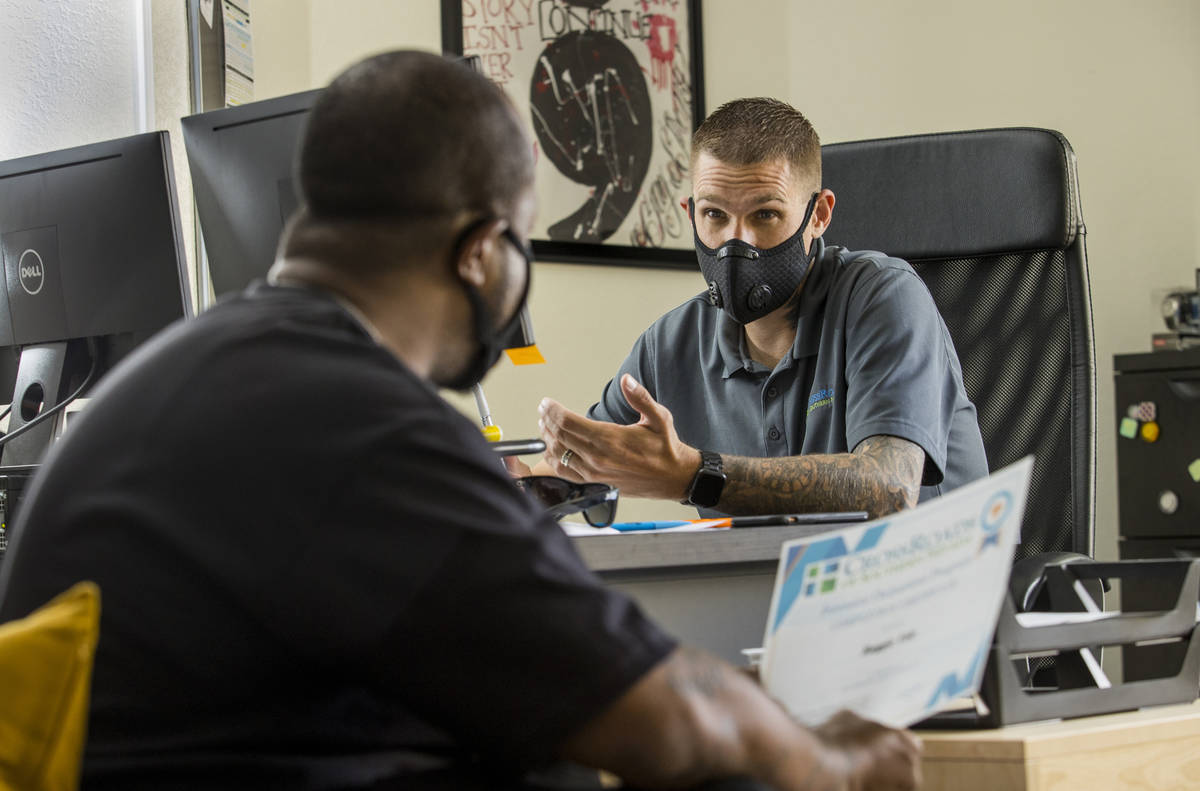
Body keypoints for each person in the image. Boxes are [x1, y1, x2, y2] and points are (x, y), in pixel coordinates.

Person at [0, 53, 920, 791]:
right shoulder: (364, 428)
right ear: (483, 252)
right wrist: (833, 764)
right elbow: (669, 722)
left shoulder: (172, 380)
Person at [532, 98, 988, 518]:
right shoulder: (669, 345)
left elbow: (888, 488)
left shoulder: (884, 296)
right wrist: (505, 482)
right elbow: (572, 469)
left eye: (764, 215)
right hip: (770, 595)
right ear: (690, 212)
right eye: (714, 215)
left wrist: (695, 475)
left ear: (819, 215)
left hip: (928, 590)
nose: (736, 242)